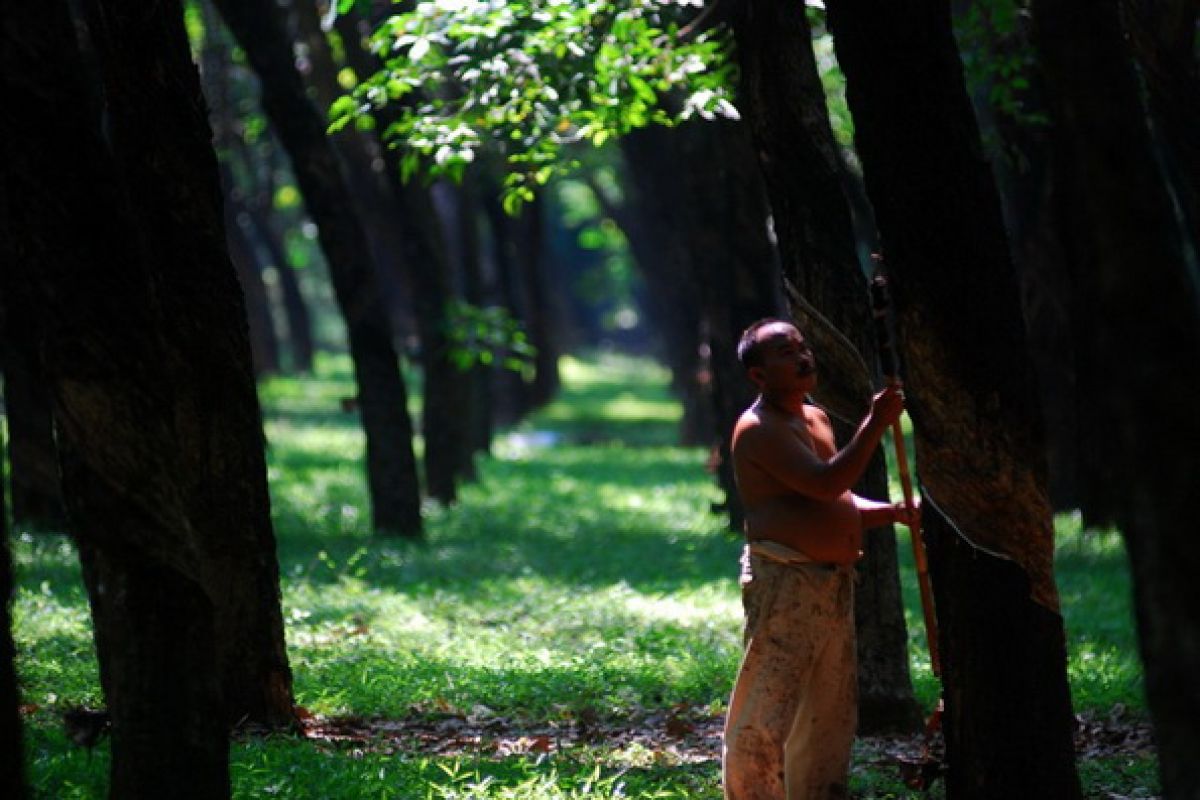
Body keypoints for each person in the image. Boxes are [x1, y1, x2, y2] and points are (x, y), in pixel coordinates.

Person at [722, 318, 919, 800]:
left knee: (828, 715)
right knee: (767, 710)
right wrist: (875, 424)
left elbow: (837, 500)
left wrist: (892, 512)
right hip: (787, 582)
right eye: (786, 352)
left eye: (802, 346)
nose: (803, 356)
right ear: (758, 375)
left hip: (833, 584)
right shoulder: (758, 429)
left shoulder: (816, 418)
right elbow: (825, 482)